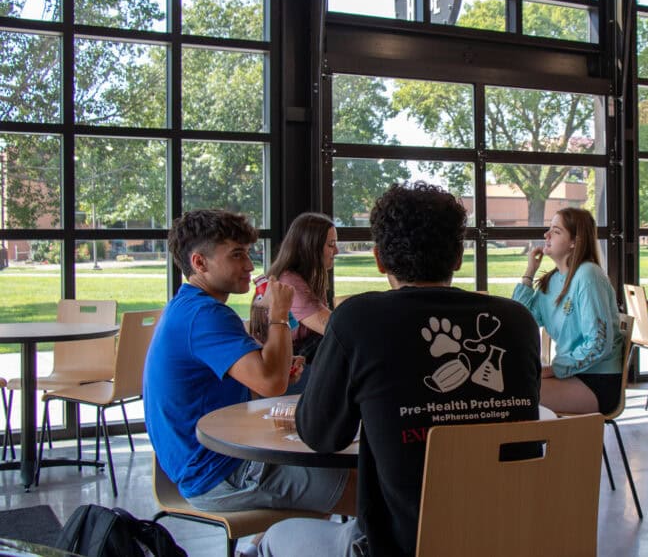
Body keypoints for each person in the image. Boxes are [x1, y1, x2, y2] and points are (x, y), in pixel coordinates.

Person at [258, 182, 541, 557]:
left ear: (379, 260)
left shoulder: (358, 321)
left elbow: (322, 435)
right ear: (458, 257)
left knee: (273, 540)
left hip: (400, 544)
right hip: (513, 538)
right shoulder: (517, 321)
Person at [143, 209, 350, 514]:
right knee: (367, 488)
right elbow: (270, 383)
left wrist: (280, 366)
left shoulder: (187, 306)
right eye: (237, 255)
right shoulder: (206, 315)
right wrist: (279, 313)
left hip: (206, 464)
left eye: (248, 253)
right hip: (220, 474)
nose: (250, 265)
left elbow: (265, 378)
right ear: (199, 262)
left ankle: (262, 547)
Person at [512, 207, 623, 415]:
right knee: (512, 386)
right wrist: (529, 273)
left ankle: (541, 446)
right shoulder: (552, 280)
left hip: (597, 380)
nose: (546, 235)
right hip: (570, 374)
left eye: (556, 231)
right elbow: (520, 320)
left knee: (517, 393)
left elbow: (599, 343)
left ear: (575, 241)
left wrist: (555, 369)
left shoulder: (588, 276)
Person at [250, 212, 338, 393]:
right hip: (289, 369)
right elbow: (331, 326)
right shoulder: (290, 281)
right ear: (310, 247)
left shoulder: (305, 277)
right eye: (331, 245)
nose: (335, 251)